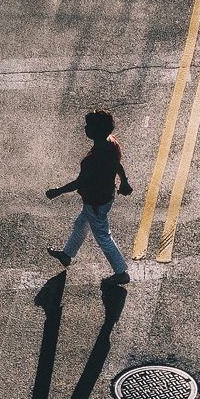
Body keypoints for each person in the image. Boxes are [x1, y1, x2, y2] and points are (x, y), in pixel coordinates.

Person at [46, 109, 134, 285]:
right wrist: (124, 181)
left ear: (96, 131)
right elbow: (117, 165)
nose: (85, 129)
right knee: (80, 224)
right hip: (105, 195)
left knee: (103, 237)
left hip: (95, 200)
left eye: (89, 126)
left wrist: (58, 191)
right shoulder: (111, 143)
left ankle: (121, 272)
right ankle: (66, 254)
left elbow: (80, 182)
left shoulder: (93, 159)